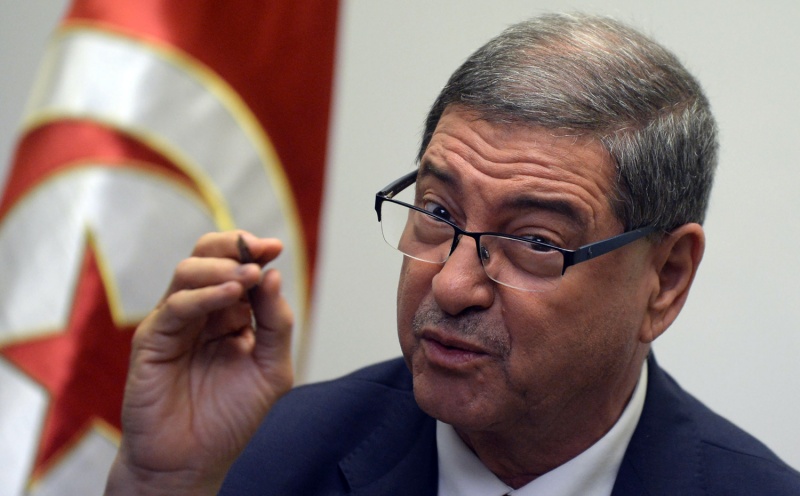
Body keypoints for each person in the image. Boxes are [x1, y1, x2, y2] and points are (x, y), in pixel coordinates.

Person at [104, 13, 800, 495]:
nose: (452, 285)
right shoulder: (271, 456)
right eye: (437, 213)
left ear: (665, 280)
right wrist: (166, 483)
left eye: (533, 241)